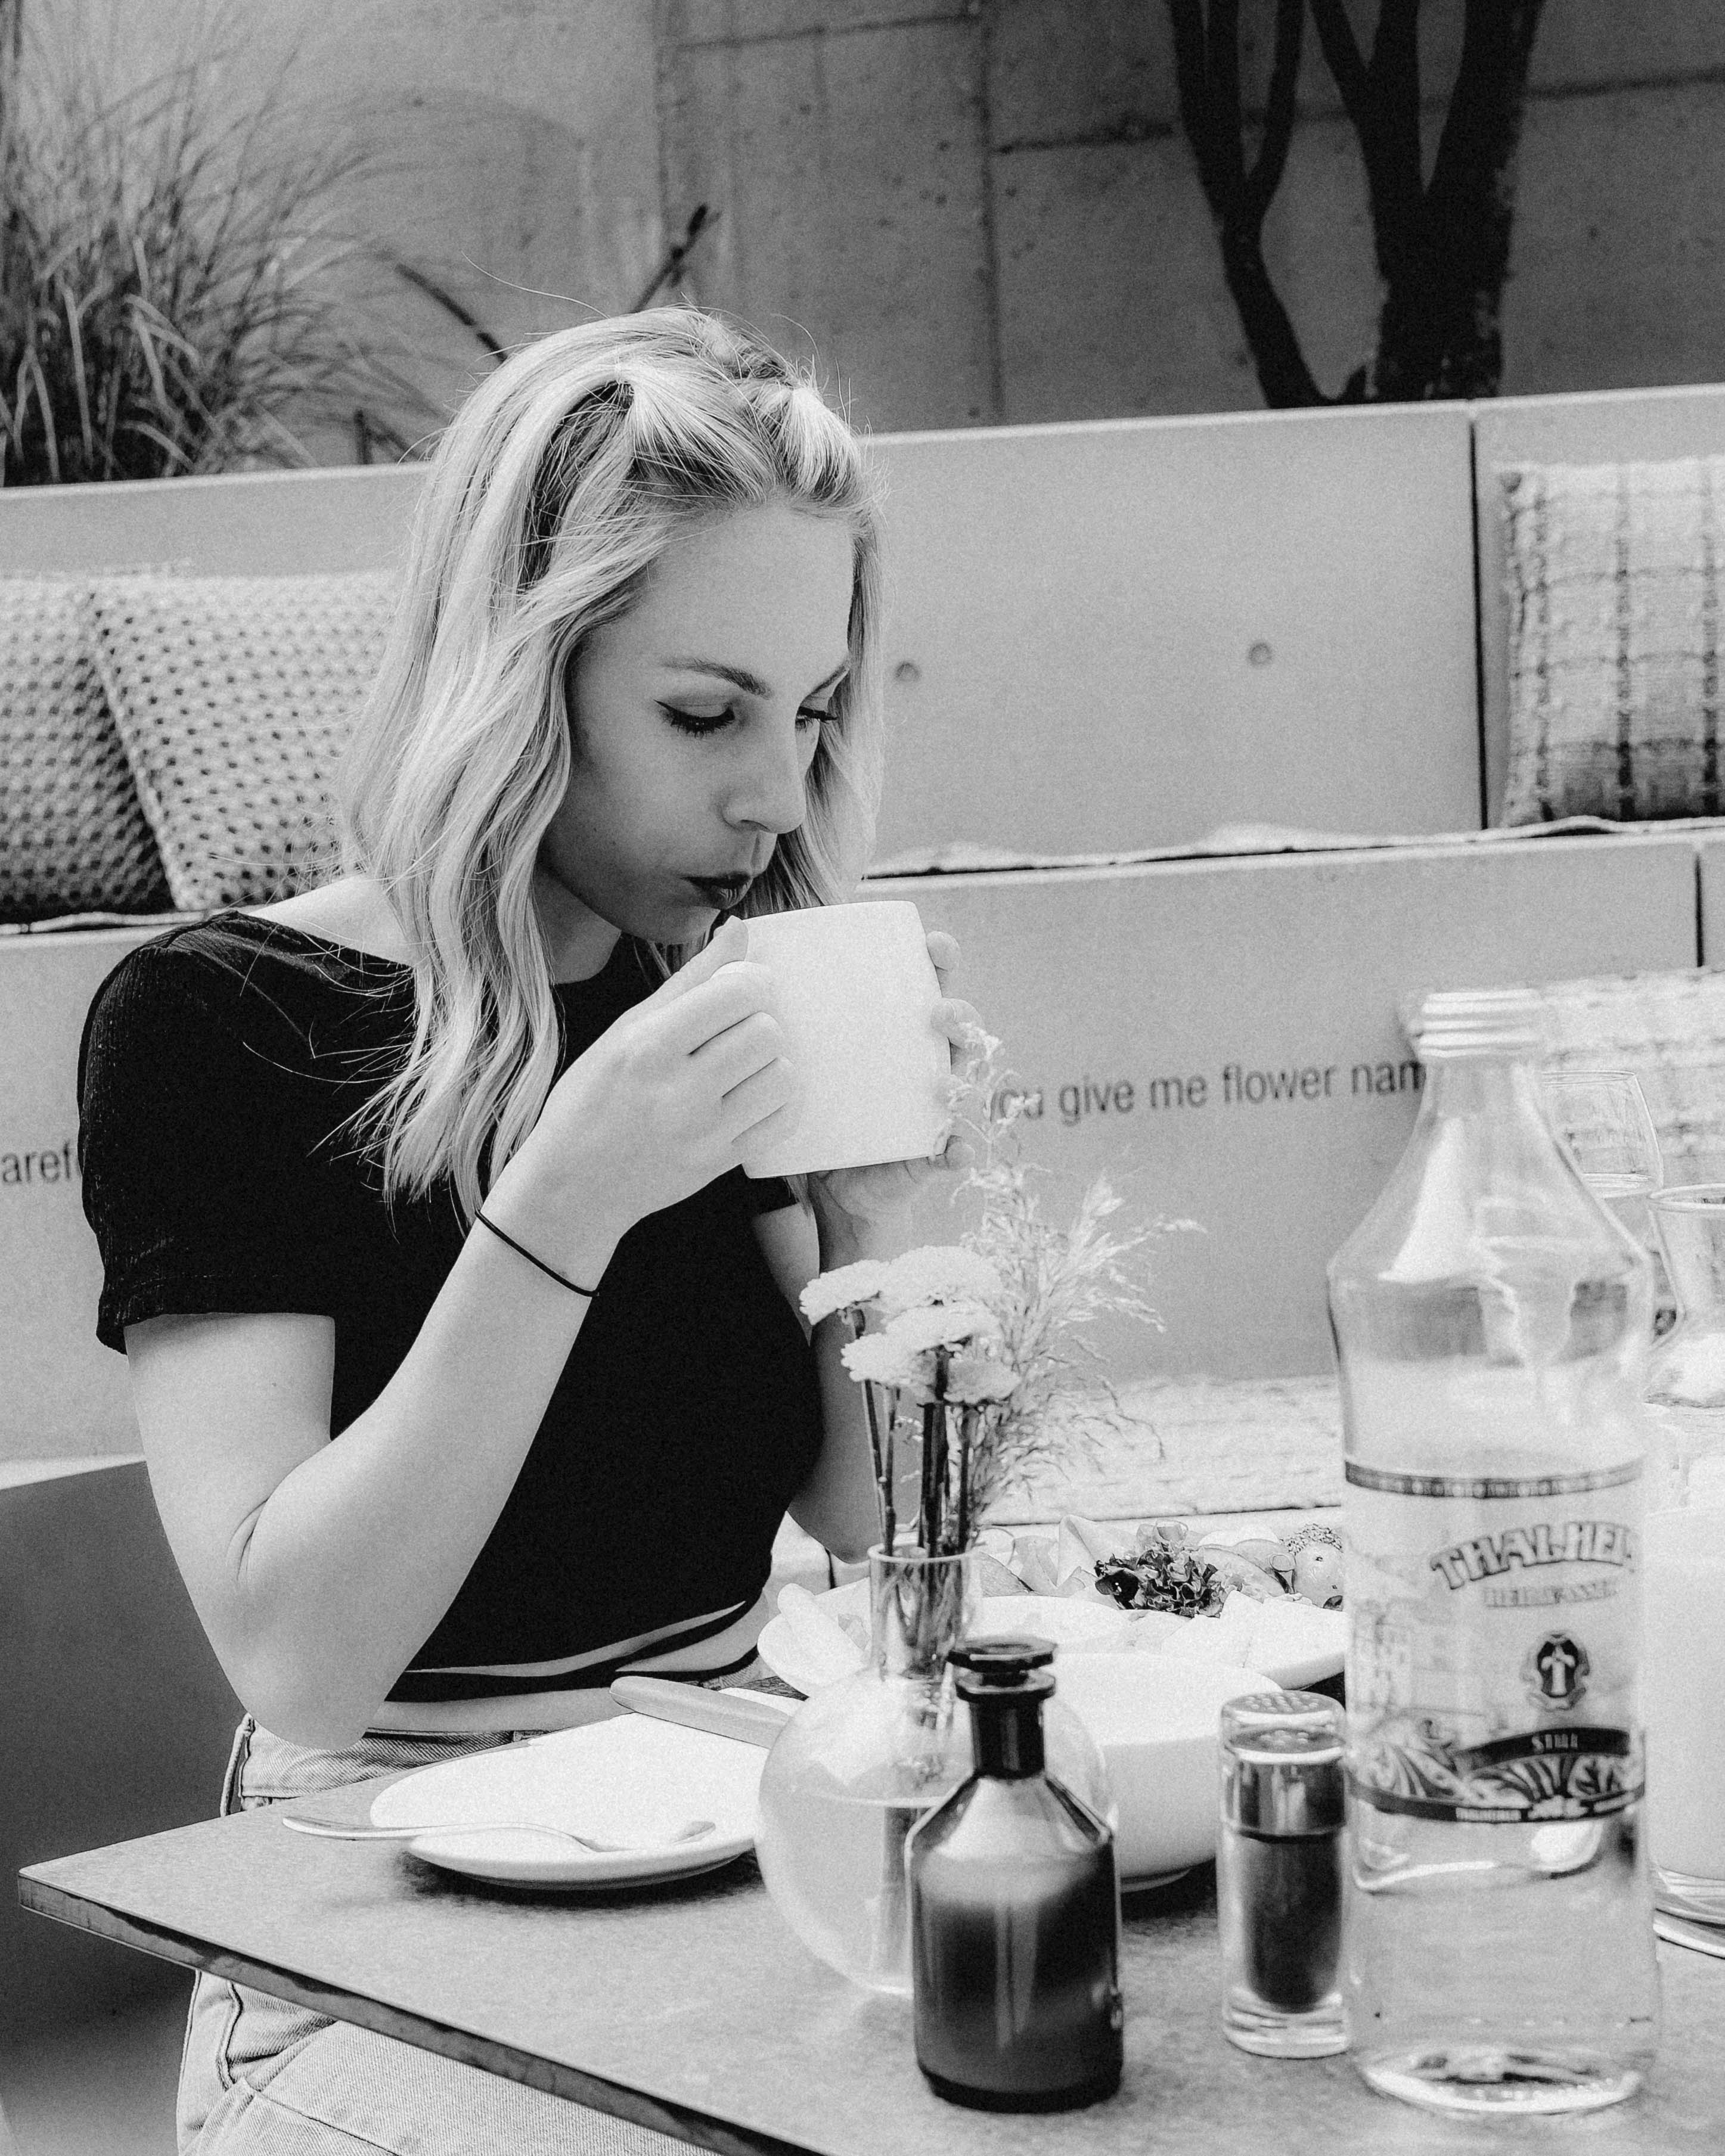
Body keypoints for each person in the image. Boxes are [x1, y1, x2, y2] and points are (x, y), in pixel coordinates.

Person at [76, 309, 981, 2154]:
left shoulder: (725, 987)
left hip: (751, 1863)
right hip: (375, 1922)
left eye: (810, 714)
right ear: (519, 669)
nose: (777, 795)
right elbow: (300, 1654)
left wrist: (892, 1200)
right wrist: (565, 1193)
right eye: (704, 711)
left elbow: (867, 1519)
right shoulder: (217, 1021)